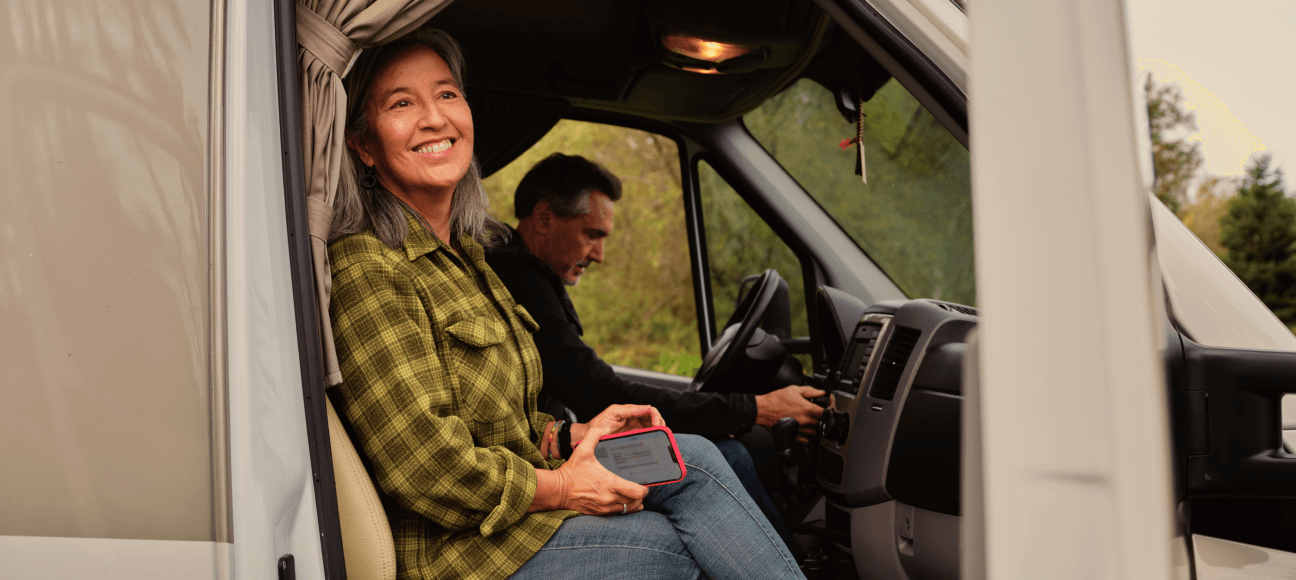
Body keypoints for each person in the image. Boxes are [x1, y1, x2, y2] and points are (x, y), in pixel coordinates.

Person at [326, 31, 806, 580]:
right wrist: (563, 486)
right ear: (364, 145)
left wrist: (568, 437)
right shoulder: (369, 269)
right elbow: (429, 468)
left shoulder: (470, 260)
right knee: (672, 547)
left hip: (512, 511)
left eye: (447, 94)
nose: (434, 118)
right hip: (460, 553)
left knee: (689, 454)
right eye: (402, 103)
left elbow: (501, 424)